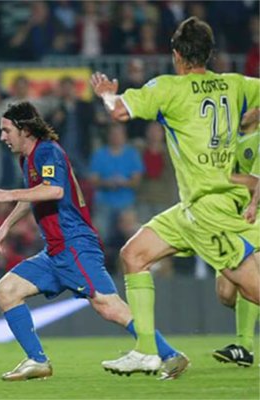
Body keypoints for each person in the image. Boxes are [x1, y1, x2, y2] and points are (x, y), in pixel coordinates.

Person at [90, 16, 260, 375]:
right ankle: (146, 351)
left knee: (253, 291)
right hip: (191, 209)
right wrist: (250, 120)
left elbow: (119, 110)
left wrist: (106, 92)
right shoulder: (235, 84)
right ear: (209, 53)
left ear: (176, 55)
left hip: (210, 211)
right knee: (134, 255)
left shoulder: (168, 88)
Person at [0, 101, 187, 382]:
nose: (2, 136)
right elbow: (33, 195)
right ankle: (37, 361)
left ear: (25, 129)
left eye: (6, 130)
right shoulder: (27, 159)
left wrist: (7, 194)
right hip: (54, 251)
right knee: (7, 291)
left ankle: (169, 354)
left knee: (108, 306)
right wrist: (6, 225)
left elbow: (53, 191)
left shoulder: (48, 151)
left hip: (75, 245)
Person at [212, 107, 260, 367]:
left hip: (255, 215)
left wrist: (219, 178)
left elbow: (255, 182)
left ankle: (244, 347)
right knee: (225, 293)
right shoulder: (224, 139)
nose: (242, 111)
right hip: (230, 216)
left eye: (248, 106)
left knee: (246, 276)